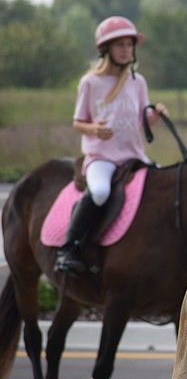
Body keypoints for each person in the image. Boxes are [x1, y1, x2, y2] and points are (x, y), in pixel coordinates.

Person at [55, 16, 168, 275]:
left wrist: (155, 116)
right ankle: (69, 247)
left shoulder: (137, 82)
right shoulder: (90, 83)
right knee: (100, 192)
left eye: (129, 44)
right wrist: (93, 129)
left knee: (163, 184)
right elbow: (78, 121)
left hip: (133, 155)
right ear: (106, 49)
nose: (126, 49)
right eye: (120, 45)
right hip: (102, 157)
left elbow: (141, 119)